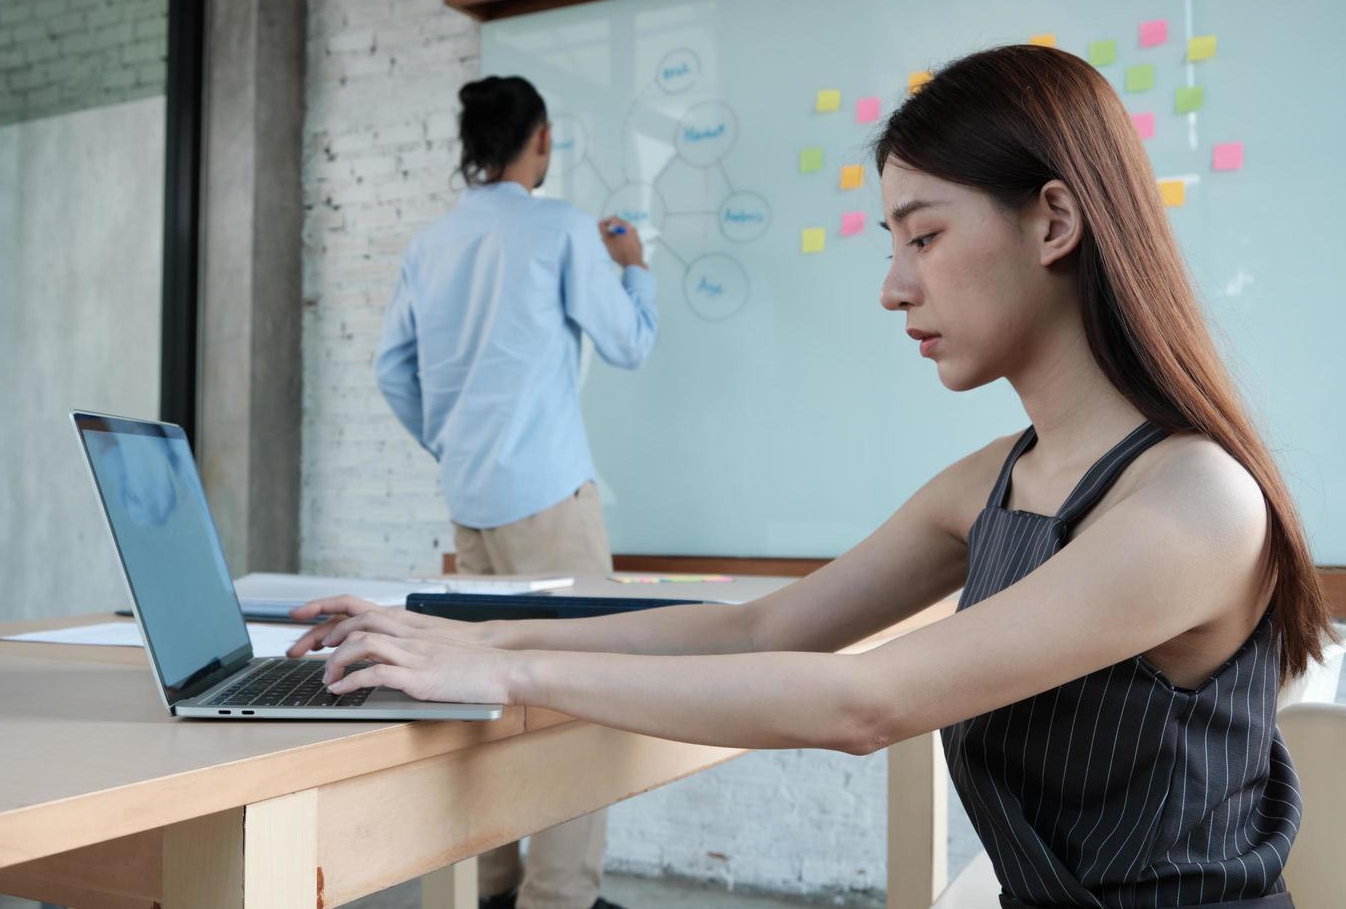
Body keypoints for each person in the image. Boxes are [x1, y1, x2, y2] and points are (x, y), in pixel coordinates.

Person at [292, 46, 1332, 909]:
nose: (893, 286)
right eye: (893, 241)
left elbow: (860, 699)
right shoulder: (995, 480)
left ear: (1055, 223)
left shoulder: (1195, 502)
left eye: (925, 235)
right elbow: (759, 629)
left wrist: (511, 674)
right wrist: (477, 636)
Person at [367, 74, 656, 909]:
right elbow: (629, 343)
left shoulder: (431, 243)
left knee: (474, 701)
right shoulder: (562, 229)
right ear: (542, 141)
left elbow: (392, 371)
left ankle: (484, 888)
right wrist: (633, 269)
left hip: (472, 508)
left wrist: (453, 443)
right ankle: (557, 898)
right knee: (584, 706)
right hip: (551, 506)